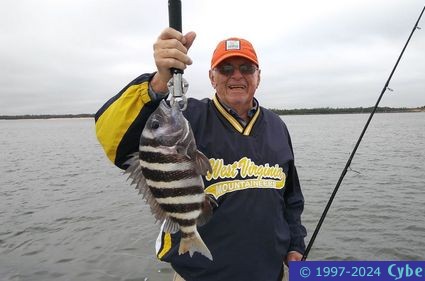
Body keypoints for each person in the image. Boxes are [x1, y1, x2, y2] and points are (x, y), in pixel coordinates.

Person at [95, 27, 307, 281]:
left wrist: (295, 244)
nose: (236, 76)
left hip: (271, 274)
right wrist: (159, 83)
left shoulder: (277, 126)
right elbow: (114, 139)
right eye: (226, 69)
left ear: (258, 77)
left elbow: (291, 198)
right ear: (211, 77)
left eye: (246, 69)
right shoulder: (183, 118)